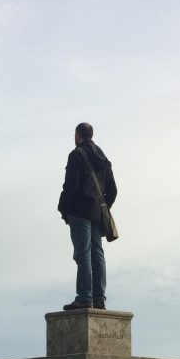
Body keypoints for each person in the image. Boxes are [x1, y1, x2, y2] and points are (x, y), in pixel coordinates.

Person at [58, 122, 117, 311]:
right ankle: (99, 299)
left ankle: (84, 297)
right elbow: (113, 190)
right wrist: (103, 206)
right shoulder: (104, 159)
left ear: (77, 136)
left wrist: (64, 210)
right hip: (97, 213)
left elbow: (70, 187)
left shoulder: (76, 155)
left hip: (79, 212)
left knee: (83, 253)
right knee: (97, 254)